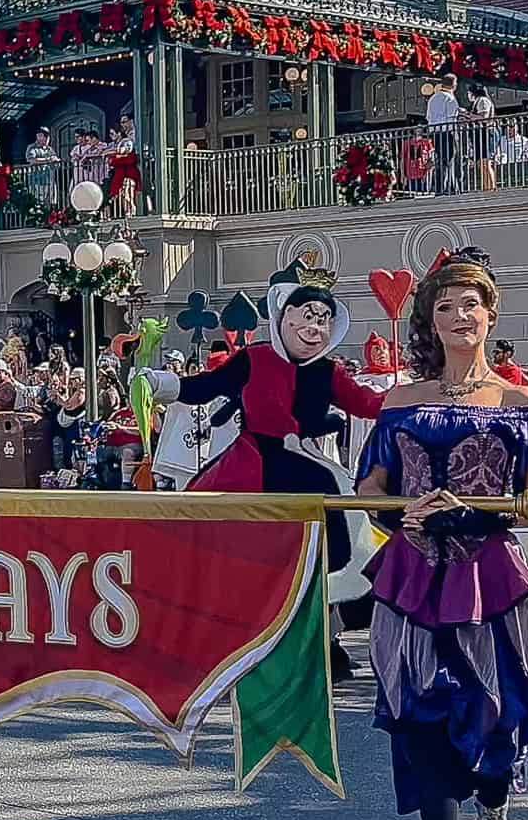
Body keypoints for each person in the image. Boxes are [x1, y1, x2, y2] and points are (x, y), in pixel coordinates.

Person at [354, 247, 528, 820]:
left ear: (490, 312)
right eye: (443, 306)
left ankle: (496, 818)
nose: (457, 316)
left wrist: (517, 504)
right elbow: (370, 491)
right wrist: (400, 514)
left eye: (468, 304)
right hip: (413, 577)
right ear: (430, 321)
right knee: (419, 717)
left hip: (491, 575)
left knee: (500, 712)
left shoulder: (519, 402)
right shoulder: (402, 402)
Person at [140, 264, 386, 673]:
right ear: (284, 318)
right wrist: (160, 383)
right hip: (253, 469)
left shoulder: (328, 372)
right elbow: (206, 388)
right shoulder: (254, 358)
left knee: (331, 551)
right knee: (235, 553)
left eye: (324, 320)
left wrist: (414, 394)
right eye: (307, 316)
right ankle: (226, 640)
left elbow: (365, 404)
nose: (315, 327)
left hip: (308, 471)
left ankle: (324, 639)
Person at [425, 74, 462, 195]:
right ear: (454, 84)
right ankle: (450, 188)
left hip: (435, 132)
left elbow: (429, 117)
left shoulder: (433, 98)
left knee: (440, 160)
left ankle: (441, 187)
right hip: (447, 132)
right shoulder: (449, 98)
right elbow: (452, 116)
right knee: (450, 160)